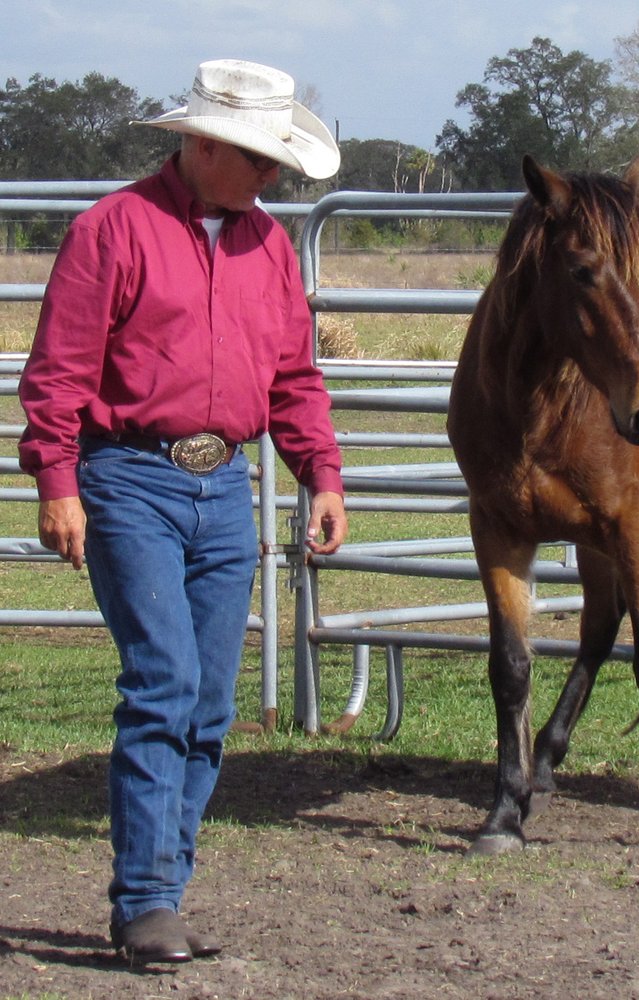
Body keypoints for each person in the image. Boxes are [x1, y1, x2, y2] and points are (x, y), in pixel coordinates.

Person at [17, 59, 348, 965]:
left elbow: (292, 376)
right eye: (255, 157)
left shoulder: (268, 247)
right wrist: (56, 482)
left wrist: (322, 472)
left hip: (223, 487)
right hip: (130, 481)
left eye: (274, 159)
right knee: (164, 680)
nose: (269, 175)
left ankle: (165, 883)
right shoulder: (113, 233)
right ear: (203, 146)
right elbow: (59, 371)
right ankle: (148, 900)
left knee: (208, 700)